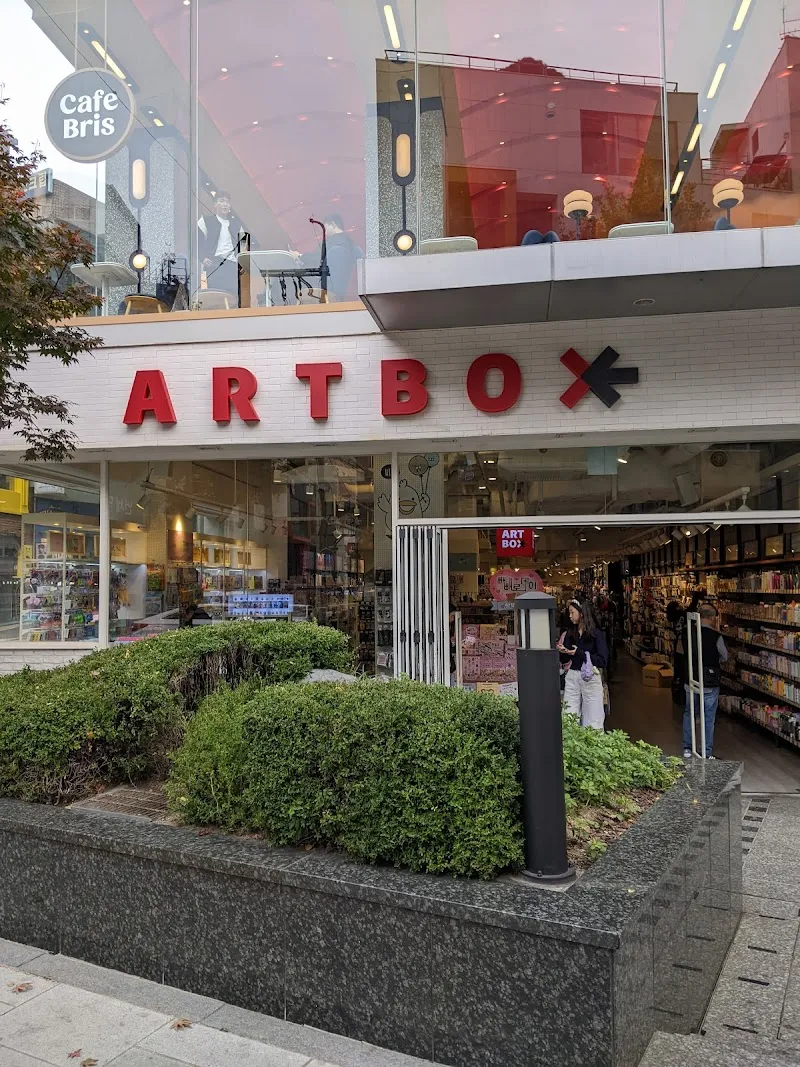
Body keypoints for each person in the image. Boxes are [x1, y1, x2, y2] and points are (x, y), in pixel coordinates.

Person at [683, 603, 728, 759]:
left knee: (690, 713)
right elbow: (725, 656)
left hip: (690, 679)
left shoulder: (687, 632)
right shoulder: (716, 636)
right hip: (709, 681)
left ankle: (688, 748)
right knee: (708, 717)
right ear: (711, 618)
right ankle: (706, 752)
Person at [557, 599, 608, 730]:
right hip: (572, 675)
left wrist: (579, 653)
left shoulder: (595, 634)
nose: (570, 616)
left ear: (582, 613)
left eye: (572, 612)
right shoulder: (570, 633)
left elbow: (602, 660)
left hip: (590, 676)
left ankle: (592, 745)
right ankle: (570, 744)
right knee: (569, 714)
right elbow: (564, 660)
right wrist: (563, 652)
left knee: (593, 716)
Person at [198, 191, 245, 297]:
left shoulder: (237, 225)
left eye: (227, 202)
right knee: (212, 296)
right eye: (221, 201)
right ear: (215, 204)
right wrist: (202, 258)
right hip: (213, 265)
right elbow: (196, 242)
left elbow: (244, 247)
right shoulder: (205, 221)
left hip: (232, 267)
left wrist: (241, 264)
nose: (225, 204)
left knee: (233, 298)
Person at [320, 214, 363, 301]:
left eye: (325, 228)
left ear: (333, 225)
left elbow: (314, 258)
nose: (325, 233)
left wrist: (299, 256)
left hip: (326, 291)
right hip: (343, 293)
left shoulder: (329, 243)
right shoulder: (352, 245)